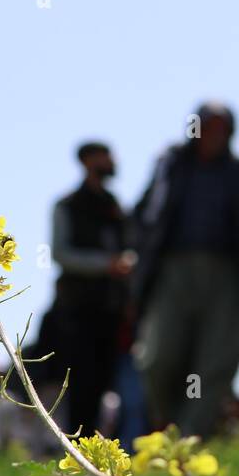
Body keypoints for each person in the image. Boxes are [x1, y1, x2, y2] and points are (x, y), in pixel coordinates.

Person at [133, 102, 239, 437]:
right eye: (207, 127)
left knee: (216, 361)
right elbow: (142, 214)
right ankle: (166, 427)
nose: (214, 135)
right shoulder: (169, 166)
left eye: (221, 128)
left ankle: (190, 439)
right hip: (171, 272)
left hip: (224, 275)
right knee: (159, 358)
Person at [51, 140, 136, 438]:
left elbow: (132, 248)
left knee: (108, 385)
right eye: (105, 157)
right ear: (88, 161)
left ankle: (103, 452)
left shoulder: (116, 207)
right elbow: (61, 254)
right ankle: (78, 451)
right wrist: (106, 264)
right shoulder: (68, 205)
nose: (111, 161)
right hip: (79, 312)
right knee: (80, 385)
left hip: (112, 312)